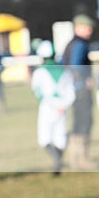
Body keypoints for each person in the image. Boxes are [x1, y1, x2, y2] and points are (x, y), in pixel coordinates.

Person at [31, 41, 75, 175]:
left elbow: (38, 92)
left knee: (44, 138)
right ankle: (58, 161)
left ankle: (57, 161)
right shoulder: (64, 71)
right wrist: (63, 105)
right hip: (62, 109)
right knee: (60, 136)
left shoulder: (39, 72)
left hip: (47, 108)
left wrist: (52, 104)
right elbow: (71, 91)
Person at [62, 14, 96, 170]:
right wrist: (85, 80)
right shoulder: (80, 44)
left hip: (73, 90)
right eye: (86, 27)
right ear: (77, 28)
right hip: (81, 90)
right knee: (84, 123)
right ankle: (81, 159)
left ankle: (74, 159)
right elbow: (76, 66)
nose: (90, 30)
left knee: (77, 123)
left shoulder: (71, 44)